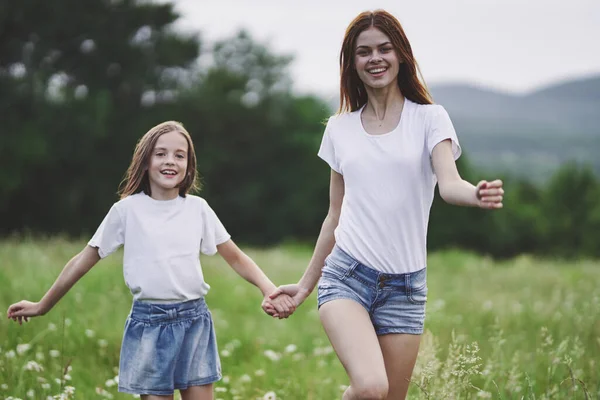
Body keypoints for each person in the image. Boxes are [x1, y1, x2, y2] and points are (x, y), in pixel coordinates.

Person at [265, 10, 504, 400]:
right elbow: (334, 215)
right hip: (347, 277)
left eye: (384, 48)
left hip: (406, 288)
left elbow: (450, 184)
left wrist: (476, 194)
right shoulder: (339, 129)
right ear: (352, 63)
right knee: (371, 386)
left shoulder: (430, 118)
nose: (374, 58)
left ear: (401, 55)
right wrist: (306, 286)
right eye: (364, 52)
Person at [7, 121, 295, 400]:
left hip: (194, 321)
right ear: (145, 162)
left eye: (179, 155)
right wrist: (42, 305)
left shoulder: (198, 209)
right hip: (148, 325)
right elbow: (83, 260)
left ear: (188, 166)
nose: (170, 161)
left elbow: (236, 257)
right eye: (161, 154)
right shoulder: (126, 211)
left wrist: (269, 288)